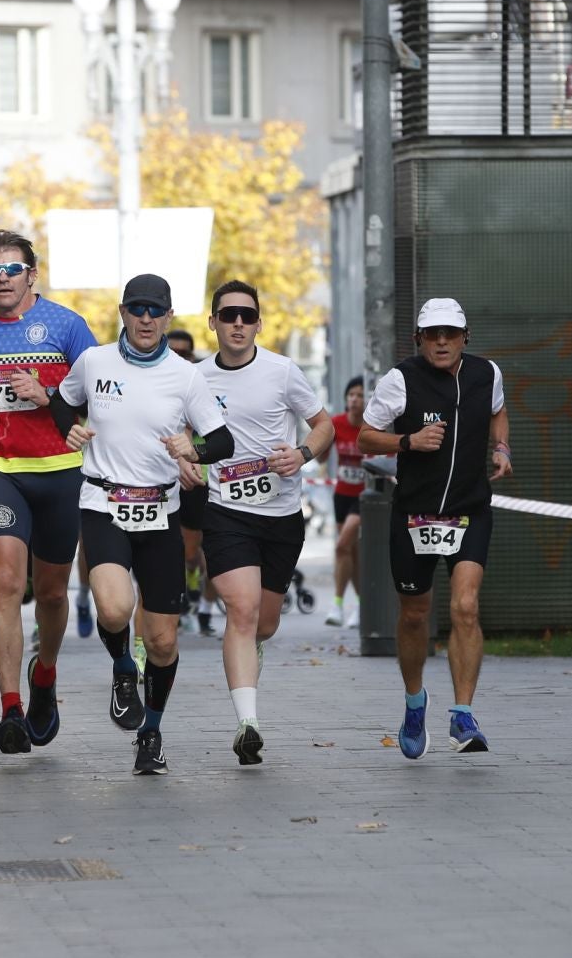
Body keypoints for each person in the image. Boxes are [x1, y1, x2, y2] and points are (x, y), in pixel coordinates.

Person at [48, 274, 232, 775]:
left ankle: (150, 733)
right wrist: (70, 427)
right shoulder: (94, 362)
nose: (146, 319)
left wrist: (192, 449)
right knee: (113, 608)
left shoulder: (186, 376)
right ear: (123, 313)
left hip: (161, 511)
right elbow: (61, 398)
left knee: (164, 641)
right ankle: (123, 669)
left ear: (169, 317)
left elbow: (223, 441)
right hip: (103, 499)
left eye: (156, 311)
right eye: (138, 310)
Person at [0, 230, 96, 755]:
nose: (2, 278)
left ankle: (44, 675)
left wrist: (46, 393)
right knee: (6, 582)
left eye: (12, 270)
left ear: (33, 274)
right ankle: (10, 707)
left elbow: (99, 397)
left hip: (59, 471)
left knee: (51, 593)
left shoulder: (66, 326)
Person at [358, 298, 511, 759]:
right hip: (415, 515)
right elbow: (365, 435)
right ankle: (414, 702)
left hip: (469, 509)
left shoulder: (488, 373)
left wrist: (502, 447)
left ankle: (463, 714)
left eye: (450, 333)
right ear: (419, 338)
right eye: (432, 334)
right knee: (414, 615)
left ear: (466, 336)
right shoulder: (400, 380)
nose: (441, 341)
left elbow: (498, 411)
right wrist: (409, 440)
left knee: (465, 606)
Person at [193, 281, 333, 765]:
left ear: (258, 323)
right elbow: (172, 432)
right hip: (226, 512)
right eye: (227, 315)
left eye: (246, 316)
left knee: (264, 623)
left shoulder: (282, 371)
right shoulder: (193, 379)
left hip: (281, 515)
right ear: (212, 322)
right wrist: (185, 461)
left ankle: (250, 657)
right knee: (243, 611)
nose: (237, 323)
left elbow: (324, 425)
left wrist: (301, 454)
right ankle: (247, 724)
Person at [165, 328, 216, 637]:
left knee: (205, 553)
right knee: (184, 552)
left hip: (203, 479)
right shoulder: (153, 381)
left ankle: (205, 608)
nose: (179, 358)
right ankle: (183, 599)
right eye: (173, 352)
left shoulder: (200, 383)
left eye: (185, 353)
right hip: (165, 480)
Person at [326, 377, 367, 628]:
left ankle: (338, 604)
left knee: (342, 546)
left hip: (364, 497)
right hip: (342, 494)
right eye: (351, 394)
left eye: (360, 395)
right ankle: (362, 604)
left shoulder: (374, 427)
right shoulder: (336, 423)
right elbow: (321, 460)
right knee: (350, 551)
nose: (354, 399)